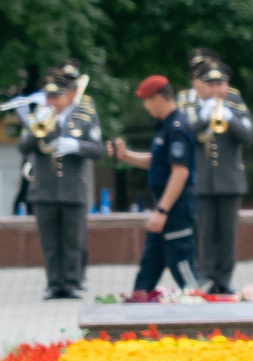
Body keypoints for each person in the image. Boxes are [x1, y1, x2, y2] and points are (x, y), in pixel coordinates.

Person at [23, 66, 103, 299]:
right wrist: (33, 131)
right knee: (49, 241)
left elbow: (97, 150)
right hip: (44, 190)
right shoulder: (38, 117)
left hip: (73, 188)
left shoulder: (85, 117)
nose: (51, 101)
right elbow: (23, 148)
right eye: (48, 97)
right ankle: (53, 284)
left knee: (72, 240)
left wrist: (76, 146)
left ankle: (72, 282)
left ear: (68, 95)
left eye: (56, 96)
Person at [119, 76, 198, 294]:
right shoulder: (164, 127)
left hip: (175, 205)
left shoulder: (177, 127)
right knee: (150, 263)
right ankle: (138, 305)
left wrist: (162, 211)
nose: (145, 106)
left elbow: (180, 172)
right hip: (164, 203)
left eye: (147, 100)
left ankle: (201, 307)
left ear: (159, 98)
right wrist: (125, 155)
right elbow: (155, 162)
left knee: (182, 263)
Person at [185, 57, 253, 294]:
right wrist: (204, 118)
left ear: (226, 86)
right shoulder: (192, 108)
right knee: (205, 233)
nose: (216, 89)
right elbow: (185, 137)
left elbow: (248, 136)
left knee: (227, 234)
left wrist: (230, 119)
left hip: (230, 180)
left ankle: (224, 279)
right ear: (202, 86)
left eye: (220, 84)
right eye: (211, 84)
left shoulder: (235, 105)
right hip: (203, 180)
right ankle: (207, 277)